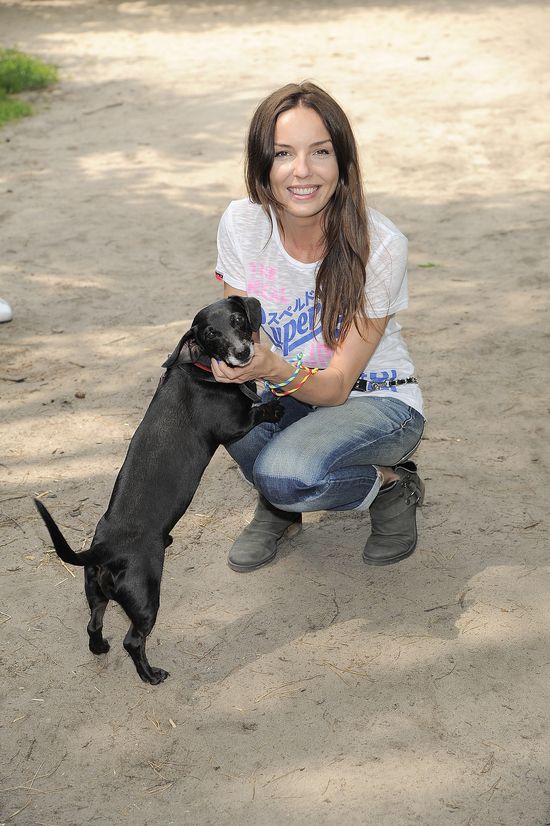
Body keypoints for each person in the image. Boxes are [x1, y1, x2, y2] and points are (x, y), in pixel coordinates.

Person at [211, 81, 425, 572]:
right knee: (224, 413)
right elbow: (240, 329)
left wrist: (272, 368)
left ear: (343, 162)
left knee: (286, 474)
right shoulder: (242, 223)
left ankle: (390, 485)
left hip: (375, 400)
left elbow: (336, 387)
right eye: (283, 153)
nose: (302, 170)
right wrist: (235, 362)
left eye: (320, 152)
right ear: (262, 163)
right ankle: (280, 506)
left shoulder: (380, 244)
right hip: (289, 392)